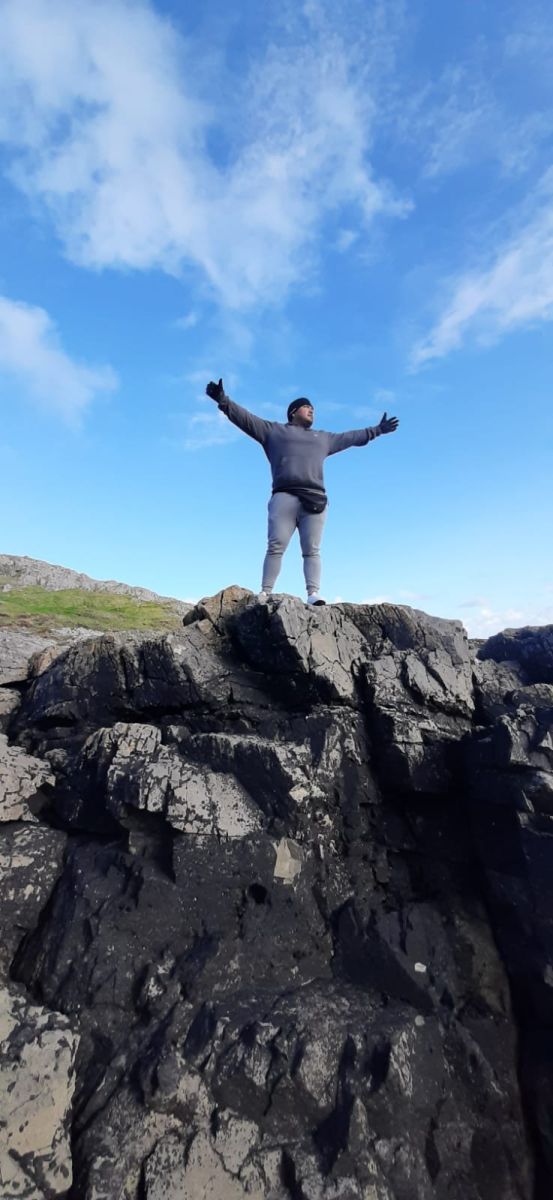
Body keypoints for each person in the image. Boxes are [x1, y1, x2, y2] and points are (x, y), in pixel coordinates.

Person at [206, 378, 399, 605]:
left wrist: (377, 430)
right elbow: (245, 419)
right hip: (284, 496)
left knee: (312, 550)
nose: (312, 411)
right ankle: (265, 592)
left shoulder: (323, 438)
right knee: (276, 545)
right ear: (293, 412)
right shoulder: (273, 432)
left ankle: (313, 593)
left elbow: (351, 438)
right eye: (307, 407)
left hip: (315, 500)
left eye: (313, 409)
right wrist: (222, 400)